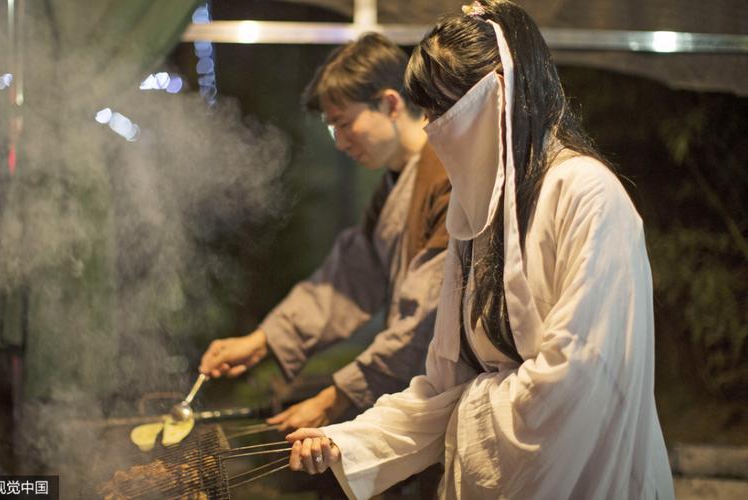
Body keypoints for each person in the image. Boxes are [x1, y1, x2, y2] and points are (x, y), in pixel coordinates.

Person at [285, 1, 676, 498]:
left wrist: (470, 399)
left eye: (441, 109)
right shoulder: (477, 217)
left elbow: (572, 385)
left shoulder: (585, 193)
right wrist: (349, 441)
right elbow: (445, 386)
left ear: (498, 93)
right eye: (425, 110)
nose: (430, 128)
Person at [199, 33, 451, 431]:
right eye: (334, 129)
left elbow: (428, 316)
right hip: (418, 387)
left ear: (389, 103)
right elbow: (348, 281)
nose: (341, 143)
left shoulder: (447, 173)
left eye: (345, 124)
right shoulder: (393, 186)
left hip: (448, 394)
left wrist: (338, 397)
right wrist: (262, 341)